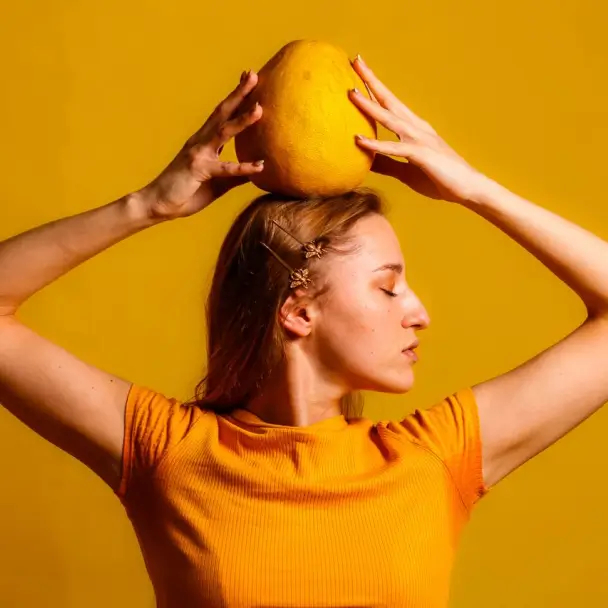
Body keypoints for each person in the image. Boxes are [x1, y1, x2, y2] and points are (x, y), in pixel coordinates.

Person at [0, 55, 607, 608]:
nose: (419, 312)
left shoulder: (434, 458)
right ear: (297, 311)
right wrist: (147, 205)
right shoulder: (170, 454)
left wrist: (476, 190)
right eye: (387, 285)